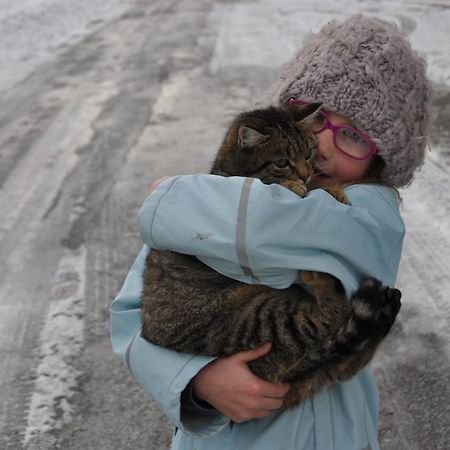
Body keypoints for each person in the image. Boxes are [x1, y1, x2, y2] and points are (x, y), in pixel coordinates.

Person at [110, 14, 431, 450]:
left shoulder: (372, 216)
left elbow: (271, 225)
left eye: (352, 136)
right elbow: (131, 315)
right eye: (314, 119)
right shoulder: (233, 193)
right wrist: (196, 381)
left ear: (381, 162)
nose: (321, 145)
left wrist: (174, 199)